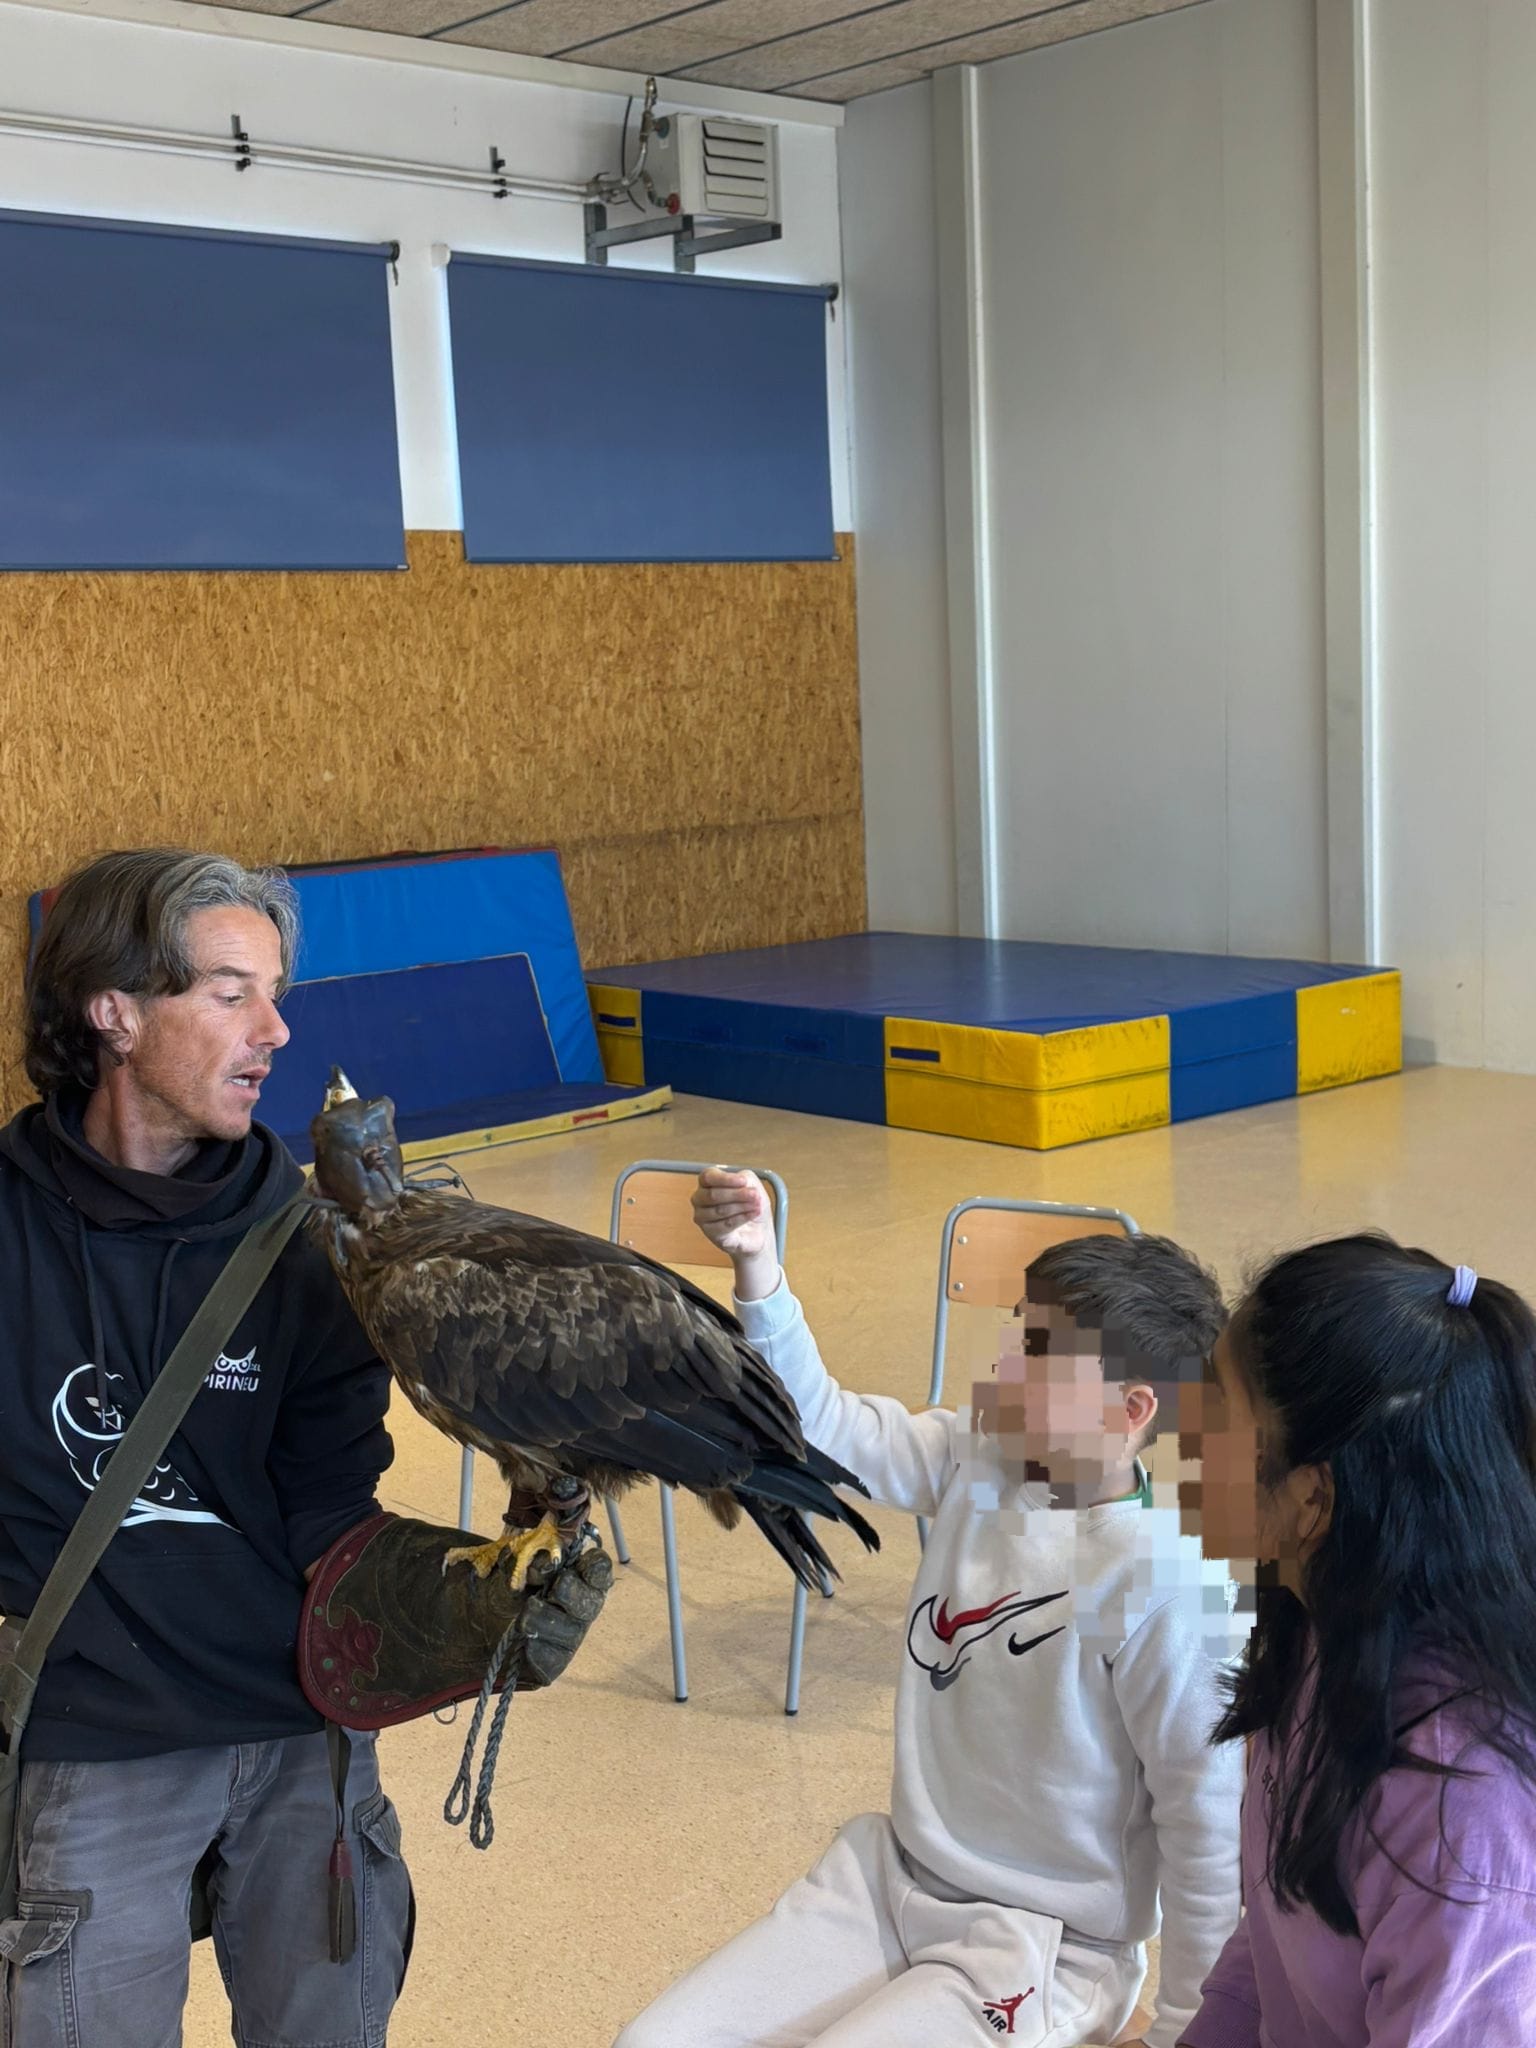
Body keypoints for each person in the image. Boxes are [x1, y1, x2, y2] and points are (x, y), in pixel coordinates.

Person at [0, 848, 607, 2048]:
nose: (275, 1029)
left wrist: (453, 1596)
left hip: (303, 1735)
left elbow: (325, 1500)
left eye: (275, 993)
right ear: (114, 1009)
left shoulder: (312, 1242)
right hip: (95, 1740)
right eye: (231, 992)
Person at [615, 1171, 1245, 2048]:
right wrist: (758, 1267)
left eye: (1039, 1354)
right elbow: (823, 1425)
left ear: (1130, 1410)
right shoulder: (976, 1457)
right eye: (1016, 1336)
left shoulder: (1170, 1584)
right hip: (889, 1883)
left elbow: (1209, 1834)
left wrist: (1188, 2032)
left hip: (1046, 1947)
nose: (1004, 1367)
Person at [1178, 1236, 1536, 2047]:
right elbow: (1280, 1928)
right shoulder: (1316, 1631)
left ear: (1312, 1500)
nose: (1186, 1437)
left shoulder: (1457, 1810)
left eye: (1216, 1415)